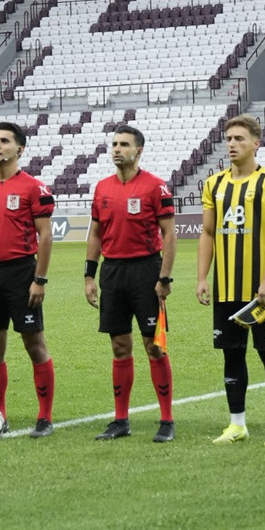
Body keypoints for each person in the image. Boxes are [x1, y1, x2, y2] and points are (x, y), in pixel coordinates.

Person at [197, 115, 265, 446]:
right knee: (231, 355)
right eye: (229, 138)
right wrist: (202, 278)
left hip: (261, 291)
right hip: (225, 289)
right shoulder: (213, 185)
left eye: (239, 138)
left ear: (256, 143)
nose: (232, 144)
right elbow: (208, 232)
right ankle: (237, 424)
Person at [86, 125, 177, 442]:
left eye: (123, 144)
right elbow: (95, 233)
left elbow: (169, 235)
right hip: (112, 273)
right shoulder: (102, 188)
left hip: (146, 271)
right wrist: (89, 275)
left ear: (138, 150)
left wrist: (164, 277)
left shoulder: (155, 187)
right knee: (119, 346)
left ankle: (166, 420)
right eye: (113, 144)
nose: (116, 149)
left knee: (154, 346)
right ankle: (121, 420)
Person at [0, 122, 55, 437]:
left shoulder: (34, 188)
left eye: (4, 140)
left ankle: (45, 417)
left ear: (20, 149)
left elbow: (45, 237)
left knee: (34, 343)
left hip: (22, 273)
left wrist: (39, 279)